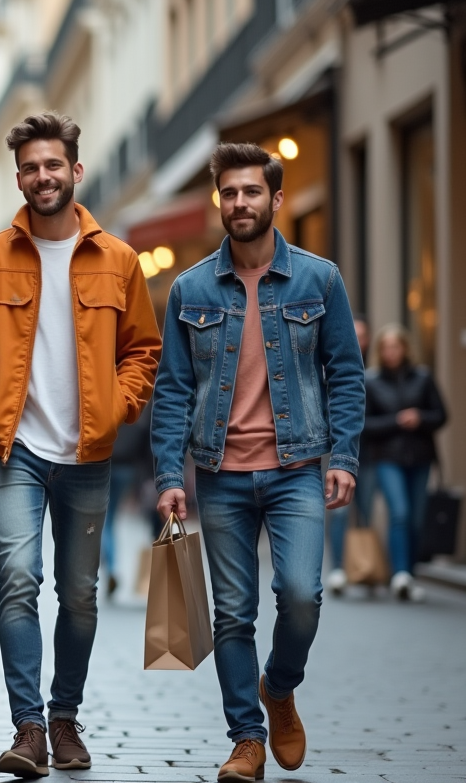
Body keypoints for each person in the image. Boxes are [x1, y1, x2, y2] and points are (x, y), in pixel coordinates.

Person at [0, 113, 161, 778]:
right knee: (18, 581)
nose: (42, 177)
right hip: (16, 452)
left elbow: (142, 350)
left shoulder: (119, 260)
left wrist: (119, 407)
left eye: (53, 165)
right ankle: (29, 728)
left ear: (76, 169)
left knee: (79, 595)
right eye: (30, 168)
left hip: (88, 456)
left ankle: (65, 716)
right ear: (19, 178)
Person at [152, 142, 364, 782]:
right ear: (219, 199)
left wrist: (344, 456)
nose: (238, 203)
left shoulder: (318, 279)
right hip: (220, 476)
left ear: (276, 198)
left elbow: (346, 374)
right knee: (232, 613)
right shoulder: (190, 288)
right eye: (229, 193)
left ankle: (279, 685)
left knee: (301, 596)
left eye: (251, 192)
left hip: (297, 466)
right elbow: (172, 390)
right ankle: (245, 739)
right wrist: (169, 476)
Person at [362, 324, 447, 601]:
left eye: (395, 346)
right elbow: (365, 424)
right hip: (388, 458)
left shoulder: (423, 377)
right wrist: (397, 421)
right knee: (399, 512)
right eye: (385, 347)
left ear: (405, 348)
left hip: (421, 457)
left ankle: (409, 573)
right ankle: (400, 574)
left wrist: (420, 418)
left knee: (417, 519)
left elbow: (442, 415)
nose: (390, 352)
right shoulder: (372, 381)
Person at [326, 314, 376, 596]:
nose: (357, 340)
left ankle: (367, 568)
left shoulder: (376, 372)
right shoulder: (332, 367)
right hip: (337, 452)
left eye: (362, 335)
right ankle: (339, 569)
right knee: (341, 513)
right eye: (353, 334)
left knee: (366, 512)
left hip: (370, 455)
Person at [100, 405, 155, 599]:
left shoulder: (106, 408)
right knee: (111, 516)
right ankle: (111, 566)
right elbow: (144, 450)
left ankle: (109, 565)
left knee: (102, 518)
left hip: (103, 466)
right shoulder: (135, 415)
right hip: (127, 471)